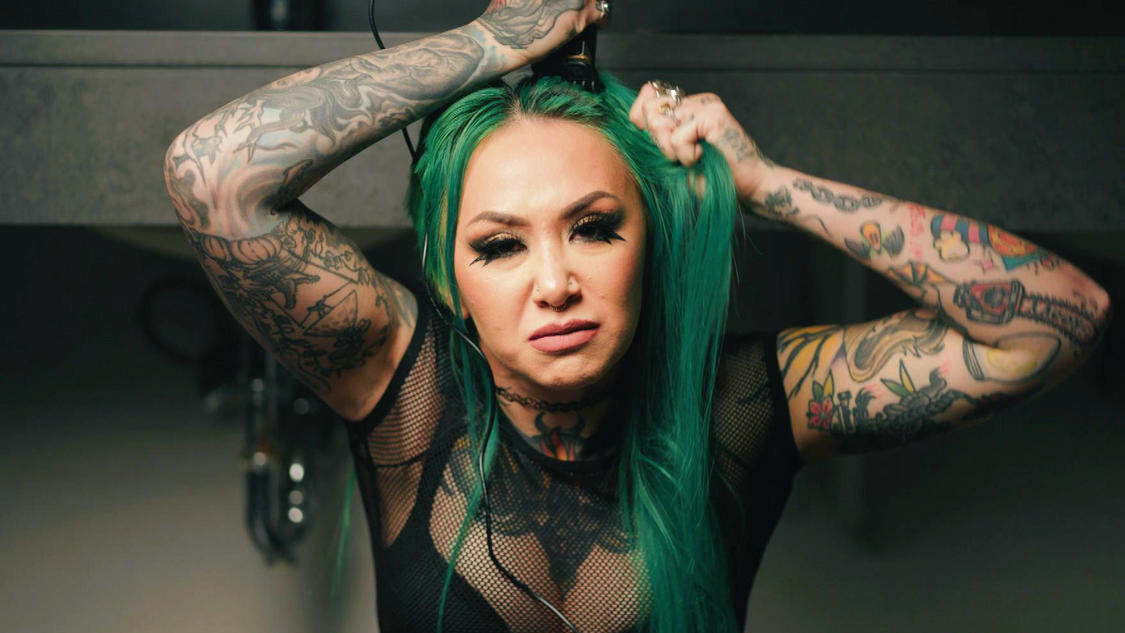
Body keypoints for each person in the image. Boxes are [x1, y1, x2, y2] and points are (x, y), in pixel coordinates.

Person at [162, 2, 1111, 632]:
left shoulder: (746, 402)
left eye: (593, 228)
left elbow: (1059, 319)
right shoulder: (400, 384)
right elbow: (214, 177)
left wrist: (764, 185)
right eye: (499, 246)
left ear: (648, 241)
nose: (555, 282)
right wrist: (492, 41)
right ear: (447, 281)